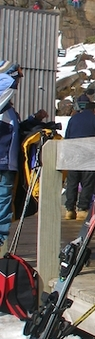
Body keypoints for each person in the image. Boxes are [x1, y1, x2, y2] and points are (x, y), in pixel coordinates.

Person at [64, 96, 95, 221]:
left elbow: (67, 137)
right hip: (89, 155)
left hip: (73, 154)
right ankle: (82, 209)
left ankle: (69, 210)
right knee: (87, 183)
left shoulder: (73, 119)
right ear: (94, 110)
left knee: (72, 183)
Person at [0, 61, 23, 248]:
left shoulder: (7, 110)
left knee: (5, 203)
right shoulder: (1, 102)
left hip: (7, 162)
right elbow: (6, 82)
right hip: (2, 161)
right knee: (2, 203)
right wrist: (10, 71)